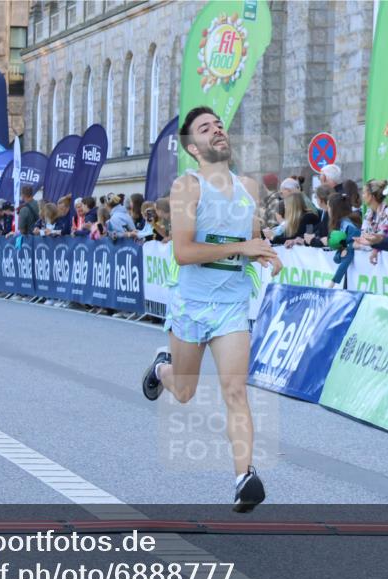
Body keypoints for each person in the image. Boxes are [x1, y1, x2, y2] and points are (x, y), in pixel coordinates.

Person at [141, 106, 281, 513]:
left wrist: (264, 253)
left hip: (231, 306)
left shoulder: (249, 188)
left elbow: (251, 240)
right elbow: (184, 252)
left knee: (235, 391)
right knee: (183, 392)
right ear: (193, 147)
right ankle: (161, 370)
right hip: (192, 304)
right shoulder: (188, 187)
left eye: (218, 125)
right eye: (206, 128)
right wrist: (242, 247)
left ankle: (244, 477)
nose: (217, 130)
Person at [325, 191, 363, 288]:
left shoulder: (349, 227)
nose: (327, 210)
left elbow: (347, 256)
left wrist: (333, 282)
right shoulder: (341, 225)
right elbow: (338, 258)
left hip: (354, 277)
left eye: (329, 207)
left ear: (334, 209)